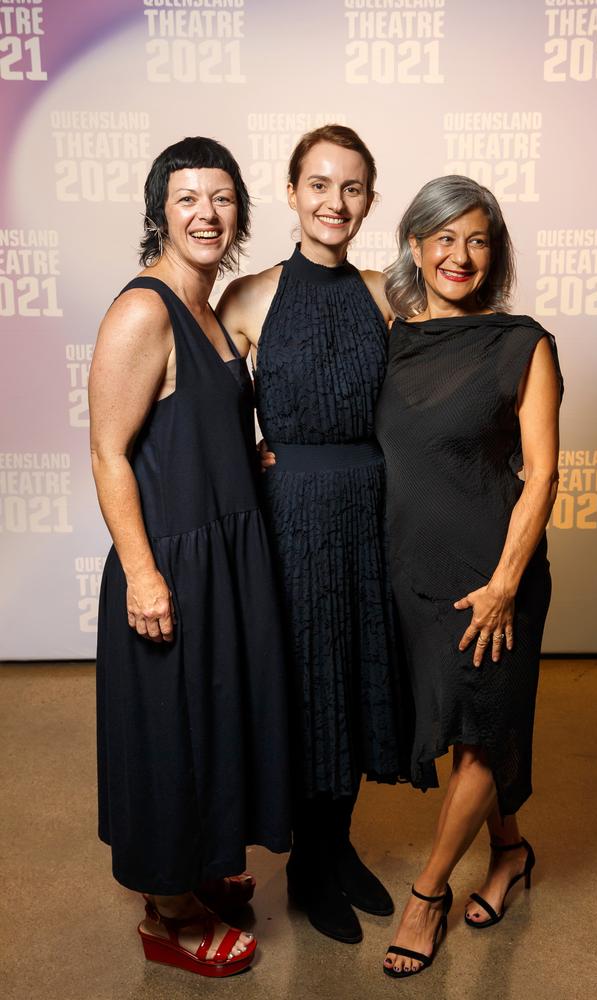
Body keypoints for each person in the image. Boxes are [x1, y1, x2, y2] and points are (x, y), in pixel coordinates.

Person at [89, 136, 291, 978]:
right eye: (187, 200)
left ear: (239, 211)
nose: (206, 214)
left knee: (215, 718)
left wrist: (252, 460)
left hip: (228, 552)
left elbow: (193, 426)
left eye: (221, 198)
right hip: (168, 560)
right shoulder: (145, 309)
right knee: (169, 733)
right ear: (158, 213)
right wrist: (141, 573)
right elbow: (108, 451)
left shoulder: (211, 307)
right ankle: (168, 912)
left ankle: (201, 865)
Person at [217, 125, 411, 945]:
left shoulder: (380, 293)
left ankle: (336, 847)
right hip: (289, 515)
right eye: (320, 185)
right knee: (305, 689)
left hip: (369, 510)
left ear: (369, 200)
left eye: (354, 187)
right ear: (293, 193)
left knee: (359, 682)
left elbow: (418, 405)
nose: (336, 202)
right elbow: (213, 417)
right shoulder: (249, 296)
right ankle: (304, 866)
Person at [375, 175, 562, 978]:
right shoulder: (395, 337)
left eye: (478, 239)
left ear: (496, 252)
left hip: (492, 580)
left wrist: (506, 583)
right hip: (413, 574)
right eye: (444, 237)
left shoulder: (523, 343)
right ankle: (512, 853)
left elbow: (544, 473)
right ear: (416, 246)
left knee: (482, 733)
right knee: (463, 728)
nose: (460, 254)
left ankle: (428, 896)